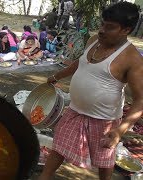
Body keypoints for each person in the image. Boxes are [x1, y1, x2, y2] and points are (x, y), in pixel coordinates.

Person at [39, 2, 143, 180]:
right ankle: (44, 177)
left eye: (109, 27)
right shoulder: (94, 40)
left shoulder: (132, 59)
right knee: (58, 147)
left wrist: (120, 131)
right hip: (75, 112)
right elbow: (80, 63)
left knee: (104, 161)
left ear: (126, 30)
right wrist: (56, 76)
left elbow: (140, 100)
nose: (102, 30)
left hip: (104, 120)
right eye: (102, 24)